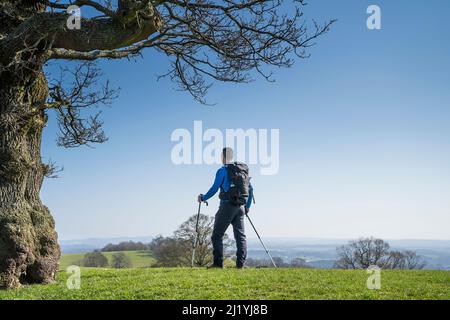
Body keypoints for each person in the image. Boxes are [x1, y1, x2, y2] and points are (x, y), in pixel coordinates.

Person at [197, 147, 253, 269]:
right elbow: (251, 189)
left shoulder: (223, 170)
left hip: (227, 206)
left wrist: (204, 197)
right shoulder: (241, 171)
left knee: (217, 235)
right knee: (240, 236)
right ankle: (240, 265)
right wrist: (247, 207)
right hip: (240, 208)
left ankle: (218, 264)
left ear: (223, 157)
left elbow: (215, 188)